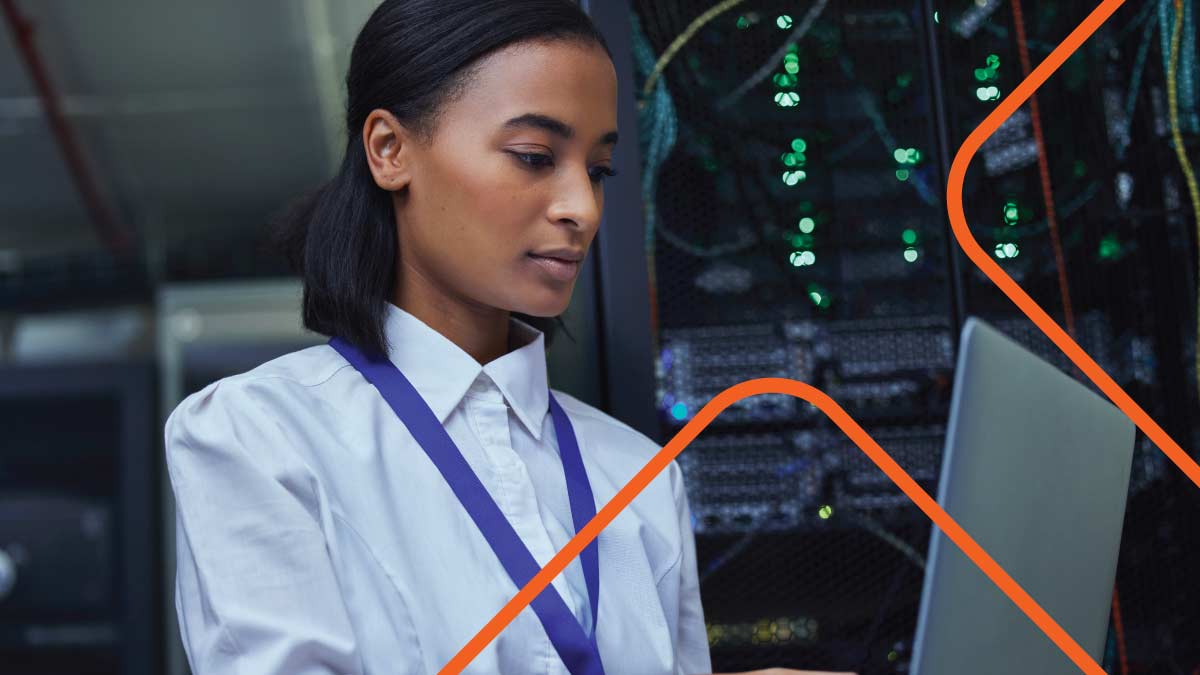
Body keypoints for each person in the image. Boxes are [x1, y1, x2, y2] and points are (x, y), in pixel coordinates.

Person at [163, 1, 856, 673]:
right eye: (533, 156)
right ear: (389, 149)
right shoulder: (259, 437)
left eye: (599, 169)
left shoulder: (639, 477)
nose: (582, 207)